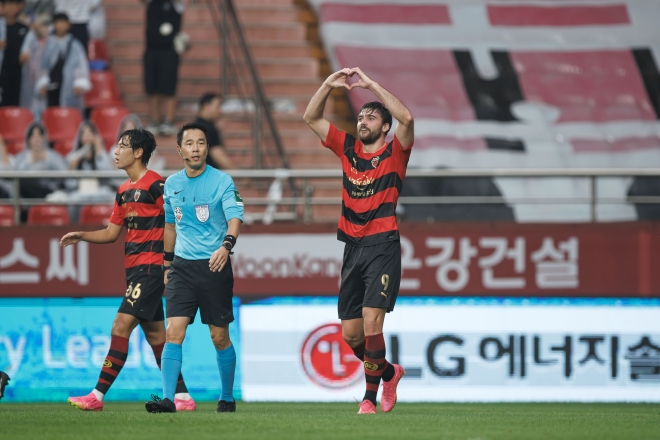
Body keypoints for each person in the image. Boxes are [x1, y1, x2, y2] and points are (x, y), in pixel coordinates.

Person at [303, 67, 414, 414]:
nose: (363, 120)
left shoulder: (396, 152)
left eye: (371, 117)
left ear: (384, 127)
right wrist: (326, 84)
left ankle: (368, 398)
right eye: (361, 116)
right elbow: (311, 116)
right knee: (352, 336)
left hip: (382, 246)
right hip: (352, 248)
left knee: (371, 322)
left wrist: (371, 87)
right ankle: (389, 373)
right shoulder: (347, 149)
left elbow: (407, 118)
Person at [60, 128, 196, 412]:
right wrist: (82, 235)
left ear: (137, 153)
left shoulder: (156, 185)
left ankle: (97, 395)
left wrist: (172, 261)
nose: (115, 151)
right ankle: (182, 397)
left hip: (151, 269)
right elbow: (112, 233)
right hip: (135, 272)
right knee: (157, 338)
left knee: (120, 326)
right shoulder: (122, 191)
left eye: (122, 146)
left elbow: (179, 220)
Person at [145, 122, 243, 413]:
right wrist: (166, 262)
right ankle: (168, 399)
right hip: (182, 269)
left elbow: (235, 219)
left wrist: (225, 247)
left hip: (214, 266)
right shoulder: (172, 184)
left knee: (219, 336)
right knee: (173, 332)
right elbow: (170, 226)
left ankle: (226, 397)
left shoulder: (222, 181)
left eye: (201, 142)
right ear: (179, 149)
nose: (196, 148)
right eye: (190, 143)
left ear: (207, 147)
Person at [142, 0, 185, 136]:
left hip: (169, 50)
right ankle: (154, 120)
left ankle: (168, 120)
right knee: (151, 86)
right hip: (151, 49)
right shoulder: (151, 3)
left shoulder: (177, 4)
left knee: (168, 86)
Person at [36, 12, 90, 111]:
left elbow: (81, 65)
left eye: (63, 23)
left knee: (68, 111)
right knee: (50, 110)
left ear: (69, 25)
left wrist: (79, 83)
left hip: (69, 83)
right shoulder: (47, 43)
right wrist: (42, 82)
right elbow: (42, 64)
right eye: (58, 23)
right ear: (54, 25)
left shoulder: (75, 45)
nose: (61, 26)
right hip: (51, 83)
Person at [14, 121, 67, 199]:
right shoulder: (22, 157)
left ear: (44, 138)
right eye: (33, 136)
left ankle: (49, 197)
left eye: (39, 136)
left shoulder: (51, 155)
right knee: (21, 183)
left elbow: (64, 173)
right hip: (27, 192)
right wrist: (29, 162)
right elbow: (16, 175)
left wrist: (47, 160)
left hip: (48, 188)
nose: (36, 139)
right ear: (28, 139)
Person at [19, 11, 50, 118]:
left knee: (46, 110)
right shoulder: (31, 37)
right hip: (32, 79)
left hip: (47, 80)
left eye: (44, 26)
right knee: (31, 109)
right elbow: (24, 53)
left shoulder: (52, 40)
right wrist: (25, 56)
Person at [195, 93, 234, 170]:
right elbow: (218, 156)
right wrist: (241, 174)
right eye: (218, 106)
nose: (220, 110)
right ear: (206, 106)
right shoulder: (207, 129)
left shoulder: (194, 127)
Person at [0, 0, 28, 107]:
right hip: (2, 73)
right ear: (2, 6)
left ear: (19, 7)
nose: (11, 8)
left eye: (14, 5)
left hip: (16, 75)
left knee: (14, 106)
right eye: (8, 5)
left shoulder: (24, 28)